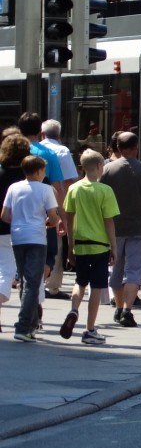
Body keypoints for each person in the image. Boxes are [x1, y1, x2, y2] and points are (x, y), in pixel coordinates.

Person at [100, 132, 141, 328]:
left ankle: (119, 308)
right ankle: (128, 310)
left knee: (116, 270)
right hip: (139, 228)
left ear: (118, 148)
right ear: (136, 147)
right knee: (134, 270)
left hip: (114, 229)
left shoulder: (107, 170)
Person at [59, 149, 119, 345]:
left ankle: (74, 309)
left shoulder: (74, 189)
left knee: (80, 282)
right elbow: (108, 221)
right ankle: (90, 329)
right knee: (96, 287)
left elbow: (69, 218)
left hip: (80, 245)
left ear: (82, 168)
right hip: (100, 246)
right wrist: (114, 247)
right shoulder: (105, 191)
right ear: (100, 166)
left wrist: (70, 247)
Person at [2, 156, 61, 342]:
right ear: (37, 171)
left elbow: (4, 215)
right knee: (32, 282)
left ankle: (32, 325)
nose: (44, 174)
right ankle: (23, 326)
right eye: (43, 170)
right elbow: (53, 216)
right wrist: (53, 223)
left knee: (25, 281)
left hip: (17, 237)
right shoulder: (46, 189)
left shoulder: (14, 188)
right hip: (36, 237)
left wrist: (20, 222)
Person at [16, 113, 65, 307]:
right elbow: (57, 188)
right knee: (47, 258)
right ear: (40, 132)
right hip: (44, 217)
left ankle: (28, 293)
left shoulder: (11, 152)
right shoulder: (48, 154)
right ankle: (34, 294)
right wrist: (62, 218)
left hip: (16, 218)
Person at [41, 118, 80, 298]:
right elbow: (68, 181)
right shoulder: (62, 151)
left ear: (43, 134)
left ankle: (33, 279)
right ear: (59, 136)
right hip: (56, 202)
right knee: (55, 244)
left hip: (33, 202)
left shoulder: (34, 149)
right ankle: (52, 286)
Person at [0, 133, 32, 334]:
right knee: (11, 273)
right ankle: (32, 317)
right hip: (20, 231)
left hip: (2, 230)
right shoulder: (27, 177)